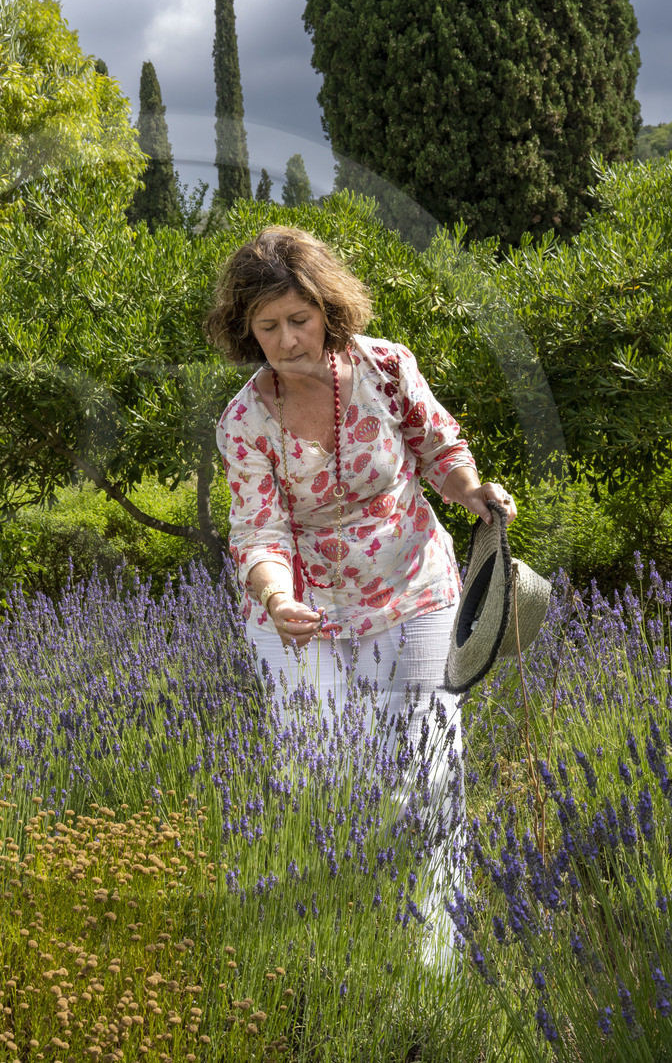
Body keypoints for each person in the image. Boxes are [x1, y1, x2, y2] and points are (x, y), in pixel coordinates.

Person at [207, 225, 516, 968]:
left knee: (430, 771)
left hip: (413, 589)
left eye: (299, 319)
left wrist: (475, 493)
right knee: (320, 777)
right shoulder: (245, 421)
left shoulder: (385, 366)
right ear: (247, 331)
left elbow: (439, 450)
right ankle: (342, 950)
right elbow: (258, 531)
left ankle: (433, 958)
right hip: (301, 618)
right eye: (269, 325)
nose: (286, 338)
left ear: (328, 308)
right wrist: (278, 599)